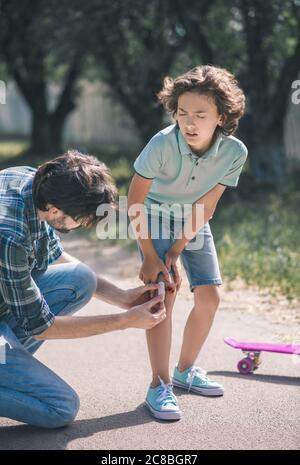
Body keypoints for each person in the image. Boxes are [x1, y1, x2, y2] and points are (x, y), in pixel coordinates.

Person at [0, 151, 166, 429]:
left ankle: (10, 364)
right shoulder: (9, 235)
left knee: (82, 279)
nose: (81, 227)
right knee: (61, 407)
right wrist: (124, 322)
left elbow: (58, 257)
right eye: (80, 220)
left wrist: (122, 298)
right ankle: (10, 367)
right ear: (54, 211)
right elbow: (42, 326)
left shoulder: (33, 183)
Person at [128, 65, 248, 420]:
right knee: (162, 293)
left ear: (221, 116)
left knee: (209, 296)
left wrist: (178, 251)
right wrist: (152, 256)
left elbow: (207, 205)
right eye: (182, 113)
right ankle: (158, 385)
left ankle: (185, 371)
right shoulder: (162, 144)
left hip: (194, 220)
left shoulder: (234, 152)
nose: (189, 122)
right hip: (152, 217)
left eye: (200, 114)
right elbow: (134, 198)